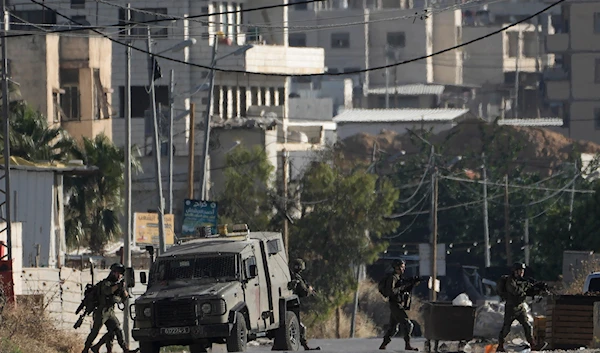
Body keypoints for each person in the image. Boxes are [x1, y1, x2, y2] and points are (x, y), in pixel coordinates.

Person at [82, 263, 139, 353]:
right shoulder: (106, 283)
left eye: (121, 274)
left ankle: (125, 349)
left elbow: (124, 297)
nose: (120, 275)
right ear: (114, 273)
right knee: (95, 331)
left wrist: (123, 289)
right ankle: (86, 349)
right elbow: (107, 291)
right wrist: (117, 286)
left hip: (110, 311)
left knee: (117, 329)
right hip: (101, 311)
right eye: (118, 273)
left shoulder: (118, 284)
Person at [497, 262, 547, 352]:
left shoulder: (523, 281)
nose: (521, 273)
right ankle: (500, 345)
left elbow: (528, 291)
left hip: (520, 307)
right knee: (506, 327)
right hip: (511, 307)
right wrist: (526, 288)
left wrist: (536, 289)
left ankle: (533, 344)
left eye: (522, 271)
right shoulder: (510, 281)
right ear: (515, 271)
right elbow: (516, 291)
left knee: (527, 325)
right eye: (520, 271)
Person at [379, 259, 419, 351]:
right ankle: (407, 345)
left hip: (398, 304)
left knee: (393, 328)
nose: (403, 269)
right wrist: (403, 287)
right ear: (396, 267)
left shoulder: (399, 278)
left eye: (403, 267)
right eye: (401, 267)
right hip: (395, 304)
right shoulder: (393, 278)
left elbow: (403, 289)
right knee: (408, 324)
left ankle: (383, 344)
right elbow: (391, 291)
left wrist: (411, 284)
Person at [289, 258, 321, 351]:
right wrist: (310, 290)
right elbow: (304, 292)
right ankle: (305, 345)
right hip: (292, 304)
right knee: (300, 327)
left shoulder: (289, 275)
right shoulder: (297, 278)